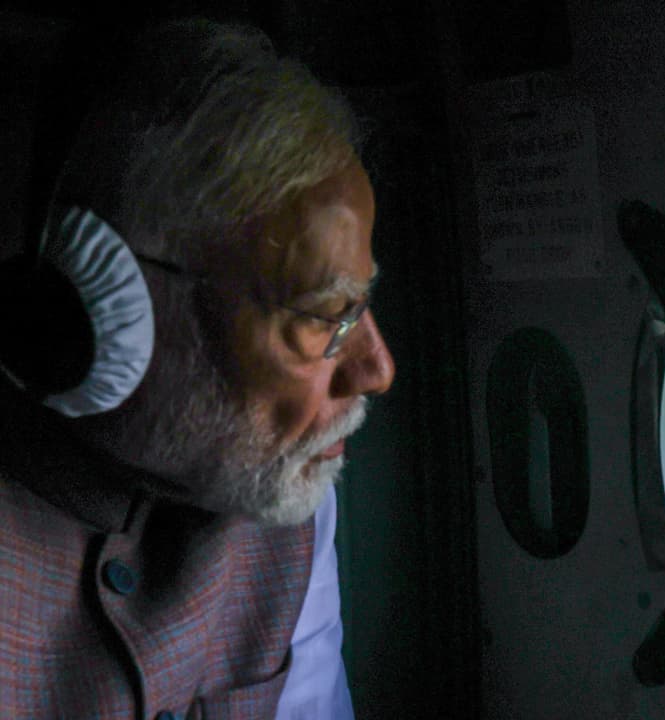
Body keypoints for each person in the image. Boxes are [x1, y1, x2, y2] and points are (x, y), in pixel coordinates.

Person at [0, 18, 394, 718]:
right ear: (109, 307)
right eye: (320, 316)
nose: (376, 368)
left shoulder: (291, 500)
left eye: (360, 306)